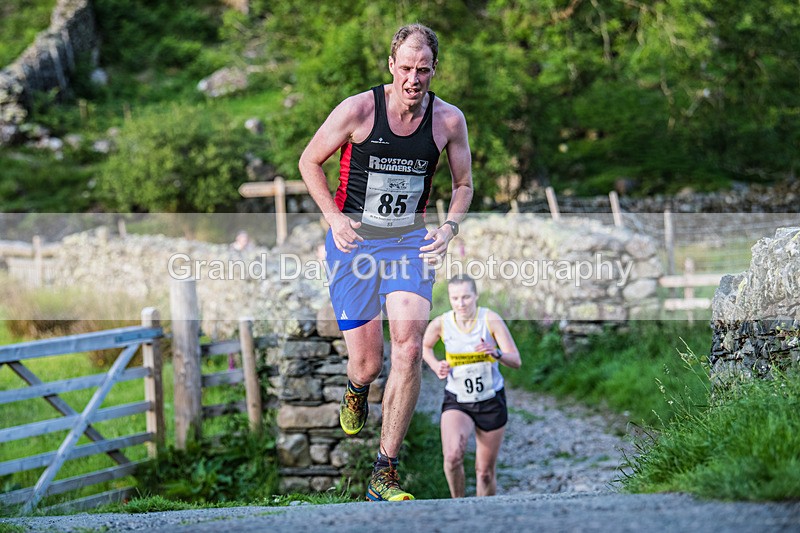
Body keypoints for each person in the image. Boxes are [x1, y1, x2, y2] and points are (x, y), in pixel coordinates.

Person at [298, 23, 473, 501]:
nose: (414, 79)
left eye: (424, 70)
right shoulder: (358, 109)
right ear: (391, 67)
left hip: (408, 243)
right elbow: (308, 161)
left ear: (434, 70)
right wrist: (333, 220)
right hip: (353, 242)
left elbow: (463, 186)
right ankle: (356, 387)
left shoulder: (449, 121)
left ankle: (384, 471)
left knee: (409, 346)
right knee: (367, 361)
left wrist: (449, 227)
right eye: (407, 69)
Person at [422, 275, 521, 498]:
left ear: (476, 296)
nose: (461, 303)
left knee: (484, 472)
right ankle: (459, 506)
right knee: (452, 457)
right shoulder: (442, 323)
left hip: (490, 399)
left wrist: (495, 353)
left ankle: (484, 517)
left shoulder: (490, 319)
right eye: (455, 298)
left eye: (466, 297)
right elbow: (424, 347)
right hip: (458, 400)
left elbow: (516, 360)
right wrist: (436, 365)